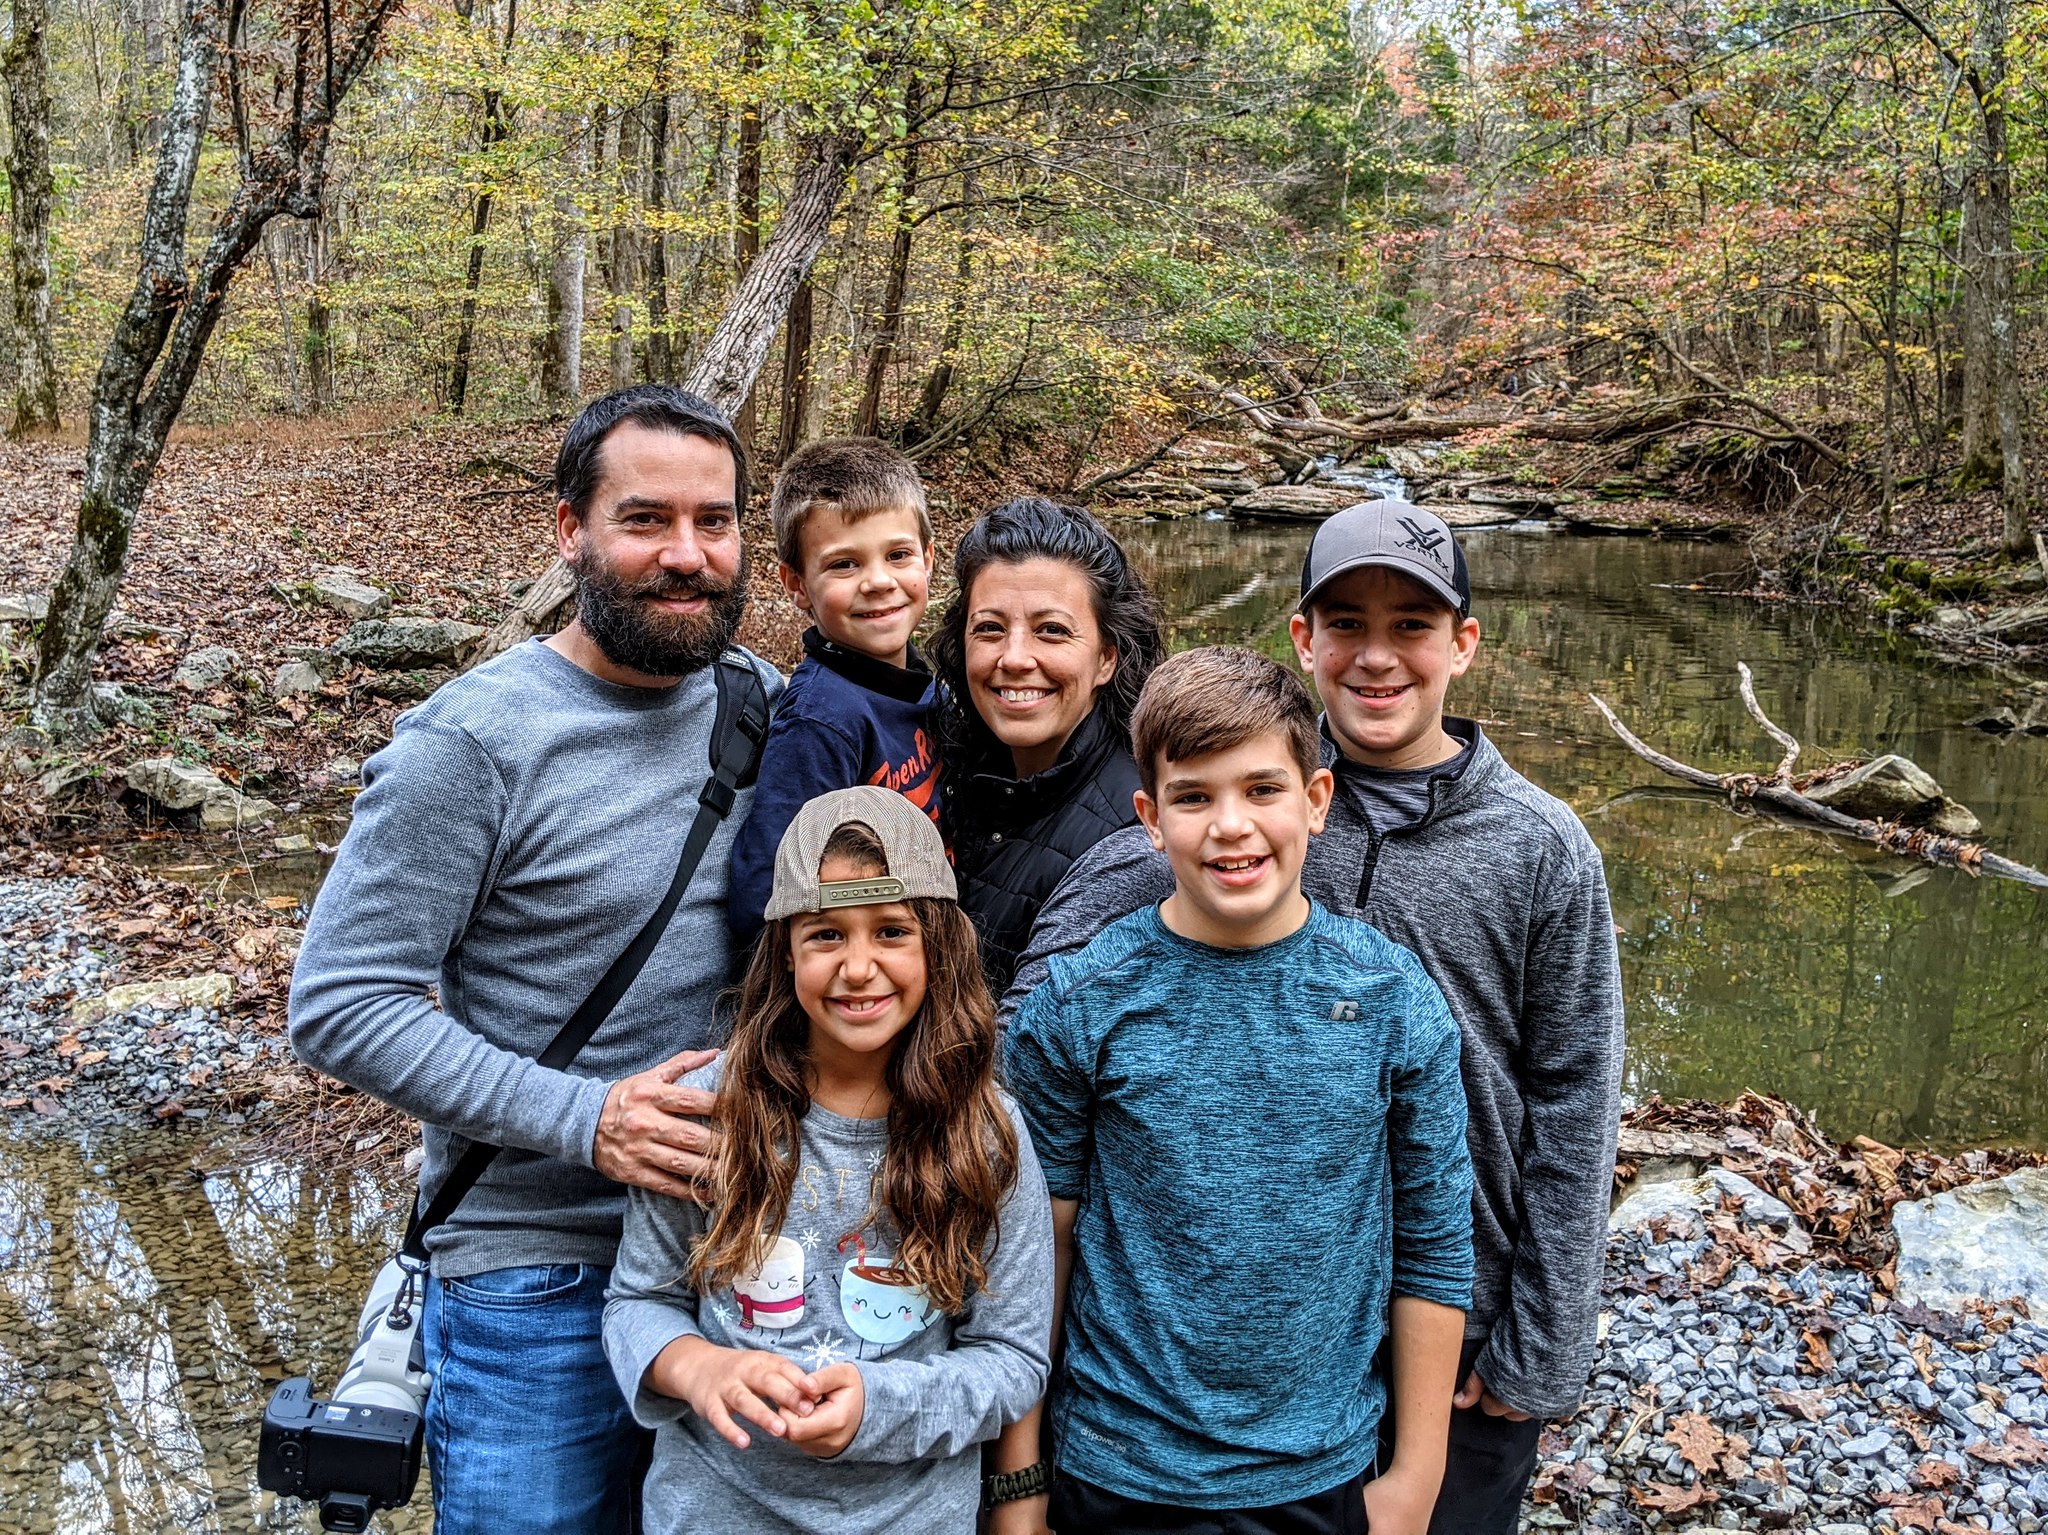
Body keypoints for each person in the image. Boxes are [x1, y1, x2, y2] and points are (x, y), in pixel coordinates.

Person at [1005, 499, 1626, 1535]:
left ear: (1462, 643)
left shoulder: (1539, 848)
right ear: (1303, 639)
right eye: (1345, 624)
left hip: (1458, 1321)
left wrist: (1545, 1338)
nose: (1376, 656)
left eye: (1410, 627)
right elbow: (1044, 1021)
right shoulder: (1225, 805)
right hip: (1205, 1360)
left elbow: (1574, 1101)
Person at [288, 385, 783, 1534]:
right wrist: (585, 1115)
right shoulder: (470, 743)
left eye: (715, 522)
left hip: (739, 1255)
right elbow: (340, 999)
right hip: (532, 1267)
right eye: (645, 520)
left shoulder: (765, 709)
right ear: (570, 532)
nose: (687, 555)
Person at [1005, 646, 1475, 1535]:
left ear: (1317, 801)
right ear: (1149, 818)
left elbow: (1435, 1244)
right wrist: (1018, 1480)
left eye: (1262, 789)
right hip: (1115, 1469)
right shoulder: (1081, 1003)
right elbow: (1037, 1249)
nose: (1231, 825)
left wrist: (1416, 1475)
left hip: (1320, 1471)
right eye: (1194, 796)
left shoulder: (1394, 1001)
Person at [604, 786, 1054, 1535]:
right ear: (784, 947)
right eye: (825, 934)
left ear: (938, 946)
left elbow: (1011, 1357)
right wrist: (701, 1368)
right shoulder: (708, 1107)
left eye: (890, 931)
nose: (858, 966)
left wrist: (878, 1409)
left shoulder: (988, 1135)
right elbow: (636, 1303)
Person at [927, 496, 1165, 993]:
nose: (1014, 657)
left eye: (1051, 631)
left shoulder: (1131, 838)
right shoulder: (944, 766)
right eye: (989, 628)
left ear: (1106, 659)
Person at [728, 437, 941, 944]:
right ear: (797, 584)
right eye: (844, 564)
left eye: (898, 554)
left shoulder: (929, 686)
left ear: (928, 560)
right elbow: (766, 890)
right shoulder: (821, 720)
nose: (878, 581)